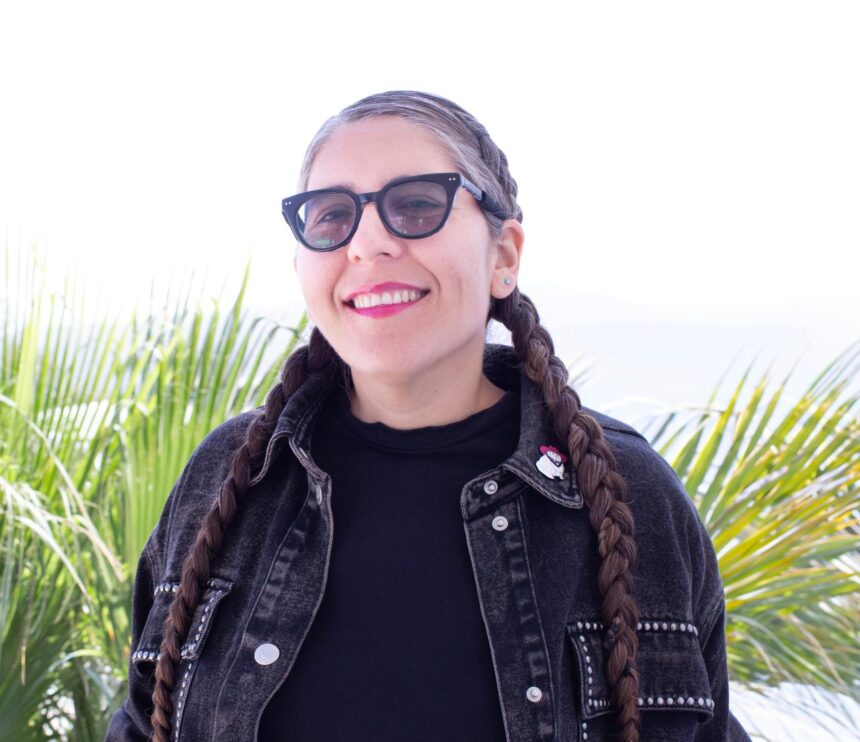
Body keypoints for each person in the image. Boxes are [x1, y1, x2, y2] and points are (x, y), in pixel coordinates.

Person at [106, 90, 751, 742]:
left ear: (504, 256)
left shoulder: (624, 491)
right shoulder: (229, 476)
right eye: (332, 215)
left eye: (416, 204)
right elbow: (142, 720)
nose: (367, 244)